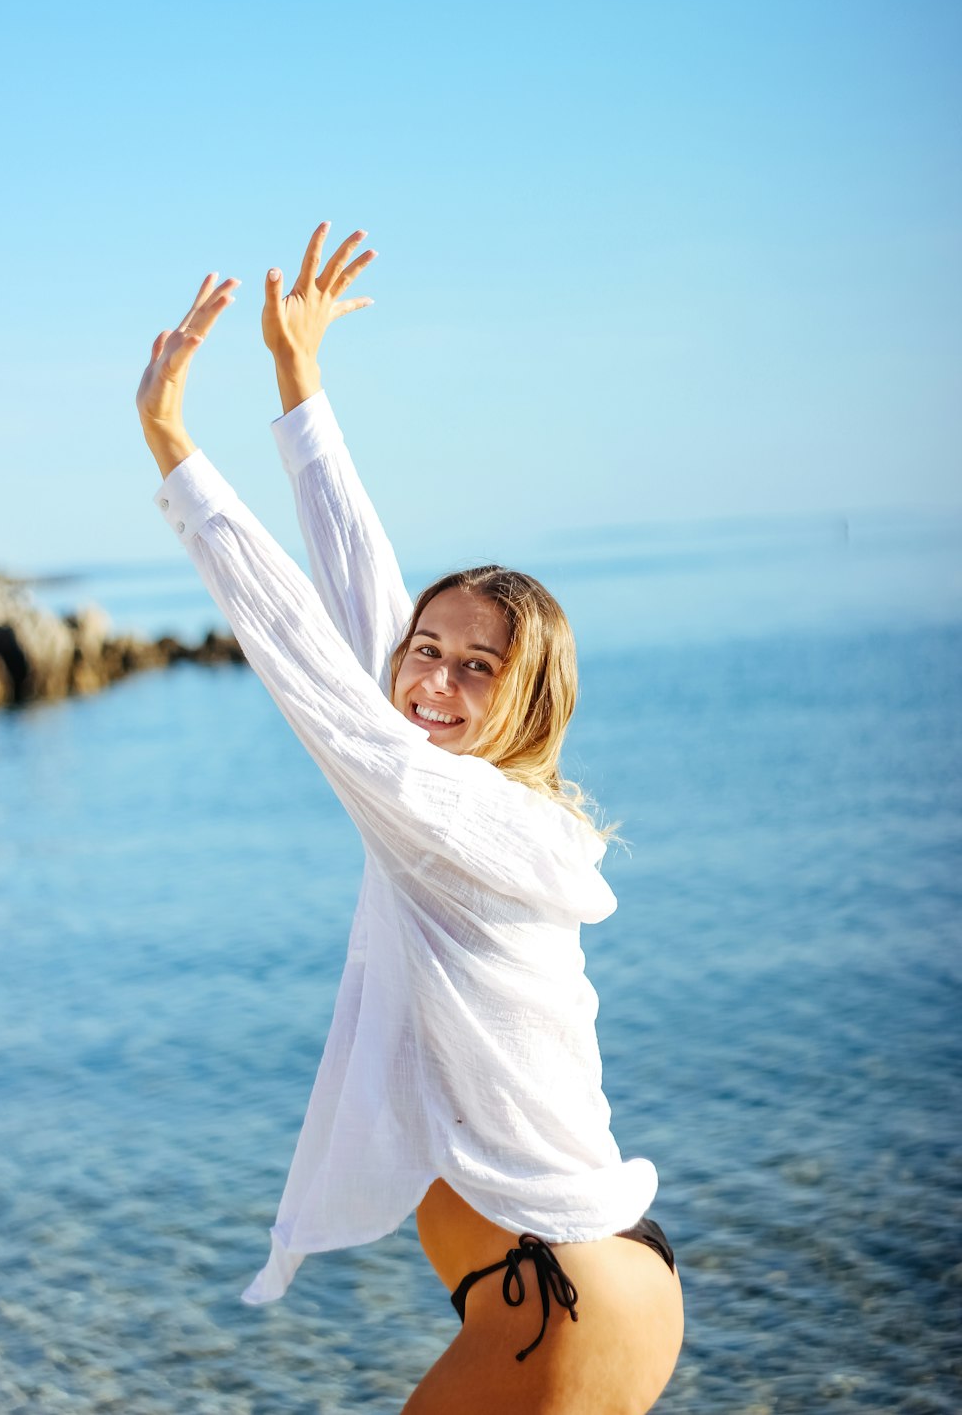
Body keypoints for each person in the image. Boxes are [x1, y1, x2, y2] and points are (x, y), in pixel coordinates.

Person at [136, 224, 684, 1414]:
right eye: (425, 655)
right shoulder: (496, 807)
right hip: (586, 1288)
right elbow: (361, 610)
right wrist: (299, 389)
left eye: (476, 669)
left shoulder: (446, 813)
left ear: (529, 695)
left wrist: (176, 450)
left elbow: (308, 660)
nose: (432, 680)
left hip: (557, 1305)